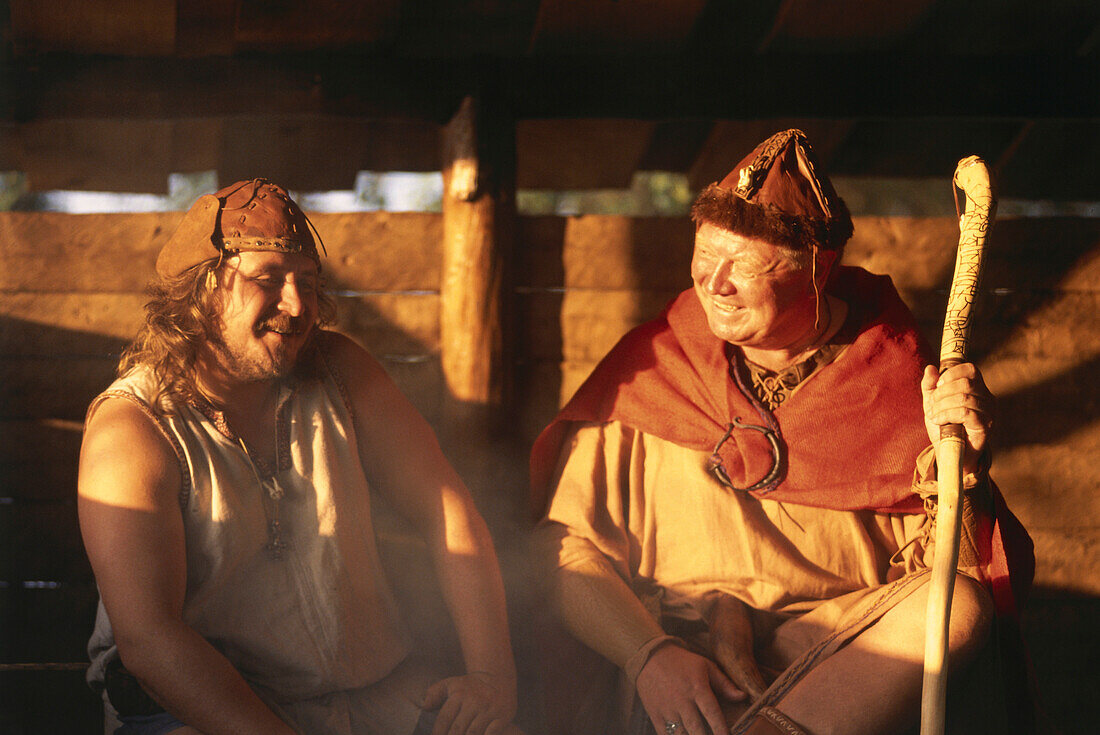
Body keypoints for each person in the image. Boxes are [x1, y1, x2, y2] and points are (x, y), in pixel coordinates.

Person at [530, 130, 1034, 735]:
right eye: (705, 255)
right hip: (684, 676)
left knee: (957, 607)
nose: (714, 283)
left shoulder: (898, 385)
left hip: (838, 670)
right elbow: (565, 549)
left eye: (744, 262)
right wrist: (649, 657)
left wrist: (964, 466)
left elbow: (958, 572)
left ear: (816, 270)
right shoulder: (656, 369)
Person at [78, 179, 522, 735]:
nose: (297, 306)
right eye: (268, 280)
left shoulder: (341, 372)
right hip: (201, 715)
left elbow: (447, 509)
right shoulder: (134, 429)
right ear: (201, 294)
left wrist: (490, 678)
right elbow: (150, 642)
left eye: (307, 282)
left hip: (369, 697)